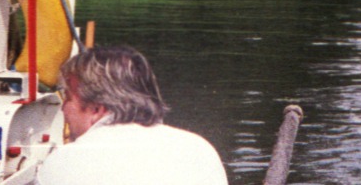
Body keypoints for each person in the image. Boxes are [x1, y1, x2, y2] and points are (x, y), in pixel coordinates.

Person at [37, 45, 227, 185]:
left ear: (96, 109)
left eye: (68, 98)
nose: (63, 109)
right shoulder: (198, 148)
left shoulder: (64, 161)